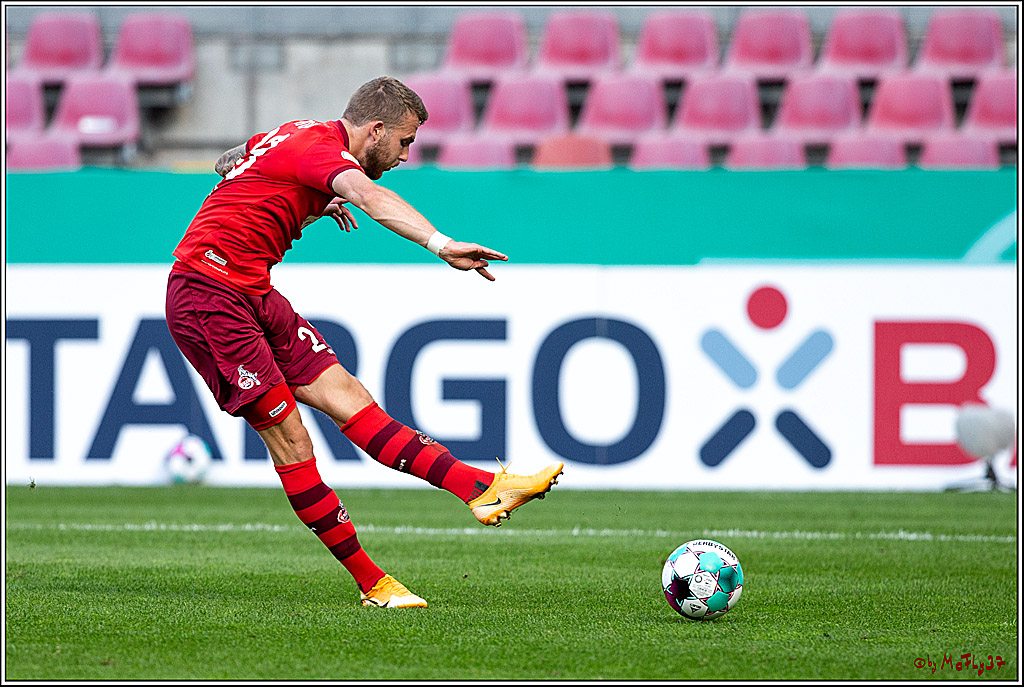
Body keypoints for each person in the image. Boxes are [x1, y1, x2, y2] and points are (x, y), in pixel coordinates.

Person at [164, 76, 564, 608]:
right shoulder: (318, 148)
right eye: (403, 142)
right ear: (374, 130)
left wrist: (303, 193)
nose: (404, 155)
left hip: (252, 289)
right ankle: (374, 584)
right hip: (206, 295)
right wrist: (440, 244)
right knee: (292, 440)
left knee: (350, 399)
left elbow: (230, 161)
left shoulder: (300, 135)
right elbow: (370, 195)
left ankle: (482, 488)